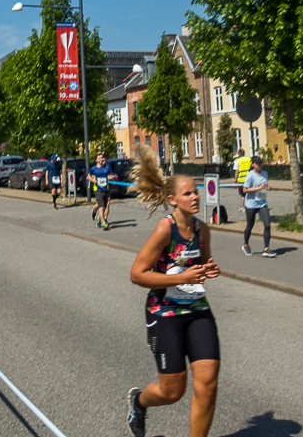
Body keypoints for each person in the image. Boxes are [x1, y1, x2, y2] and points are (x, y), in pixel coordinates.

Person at [126, 147, 220, 437]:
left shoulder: (203, 230)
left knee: (207, 384)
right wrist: (180, 278)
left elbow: (202, 265)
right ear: (172, 200)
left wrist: (208, 269)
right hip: (164, 312)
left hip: (196, 309)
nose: (195, 196)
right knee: (172, 390)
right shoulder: (164, 229)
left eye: (196, 192)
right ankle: (139, 402)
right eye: (188, 193)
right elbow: (137, 274)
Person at [241, 157, 275, 257]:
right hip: (251, 204)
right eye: (257, 163)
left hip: (262, 203)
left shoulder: (265, 173)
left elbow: (264, 186)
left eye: (261, 163)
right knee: (250, 225)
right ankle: (246, 245)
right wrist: (258, 188)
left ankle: (266, 249)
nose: (259, 165)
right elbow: (245, 190)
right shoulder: (250, 175)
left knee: (267, 225)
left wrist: (268, 187)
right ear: (253, 165)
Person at [89, 152, 116, 230]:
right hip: (98, 189)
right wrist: (93, 180)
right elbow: (88, 176)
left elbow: (112, 175)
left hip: (106, 188)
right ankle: (103, 222)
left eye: (102, 158)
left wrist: (110, 177)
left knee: (106, 204)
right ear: (96, 160)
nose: (101, 159)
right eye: (99, 158)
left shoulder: (107, 167)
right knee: (101, 206)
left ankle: (99, 216)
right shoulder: (93, 169)